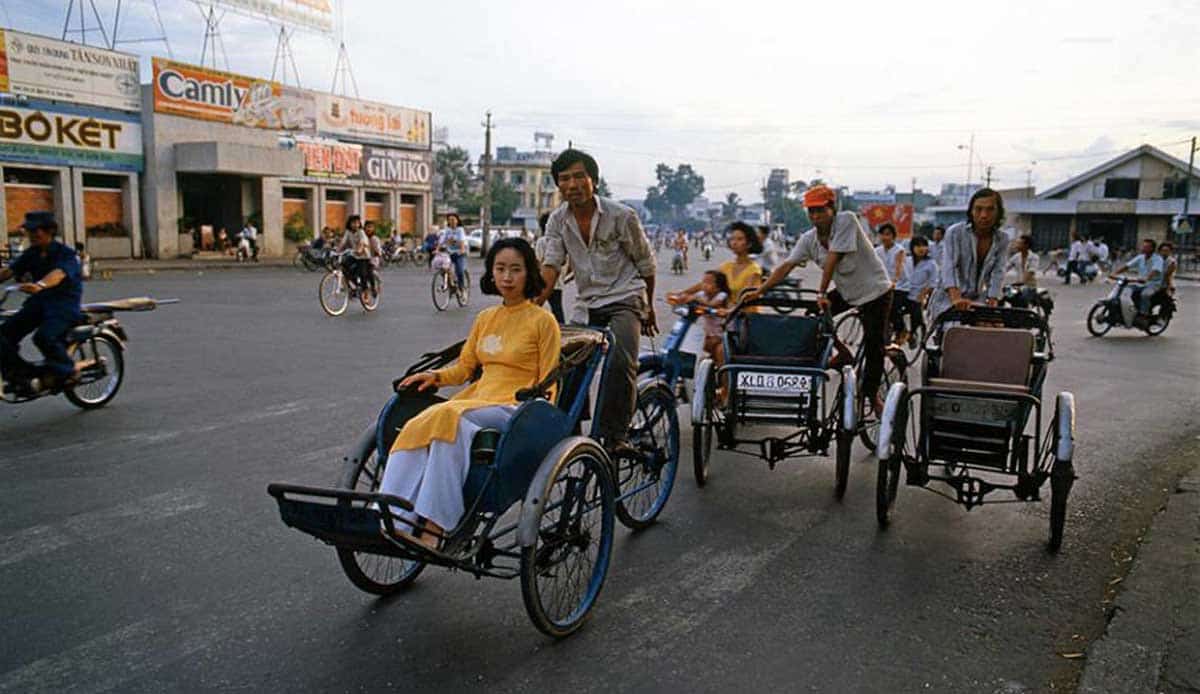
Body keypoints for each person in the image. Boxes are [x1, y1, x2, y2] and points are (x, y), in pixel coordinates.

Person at [380, 238, 559, 550]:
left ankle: (434, 531)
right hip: (478, 400)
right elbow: (464, 369)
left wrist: (536, 413)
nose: (507, 277)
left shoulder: (543, 321)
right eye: (500, 269)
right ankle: (390, 518)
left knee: (449, 417)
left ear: (529, 274)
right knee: (426, 423)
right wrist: (434, 376)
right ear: (491, 273)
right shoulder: (486, 318)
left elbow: (549, 383)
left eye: (515, 270)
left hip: (516, 406)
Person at [536, 148, 657, 456]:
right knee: (563, 359)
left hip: (625, 298)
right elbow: (551, 266)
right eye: (564, 179)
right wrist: (531, 306)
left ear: (593, 180)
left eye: (579, 176)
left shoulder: (621, 216)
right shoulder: (557, 221)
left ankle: (615, 436)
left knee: (620, 359)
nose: (572, 184)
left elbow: (646, 265)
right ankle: (571, 429)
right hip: (587, 303)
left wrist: (649, 307)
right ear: (558, 185)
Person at [747, 185, 893, 412]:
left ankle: (872, 396)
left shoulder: (846, 220)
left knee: (874, 344)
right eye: (811, 211)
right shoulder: (809, 239)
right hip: (848, 292)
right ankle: (842, 352)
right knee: (813, 316)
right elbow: (786, 266)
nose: (815, 216)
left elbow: (834, 257)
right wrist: (761, 290)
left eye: (820, 210)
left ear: (831, 209)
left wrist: (822, 293)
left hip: (876, 291)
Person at [0, 212, 84, 395]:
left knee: (44, 337)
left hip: (63, 306)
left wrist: (41, 285)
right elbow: (9, 271)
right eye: (29, 231)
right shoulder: (32, 253)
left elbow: (59, 274)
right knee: (4, 334)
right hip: (39, 303)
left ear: (50, 231)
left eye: (35, 230)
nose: (31, 235)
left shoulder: (66, 254)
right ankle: (21, 374)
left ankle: (68, 371)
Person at [927, 188, 1012, 321]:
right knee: (953, 334)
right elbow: (949, 267)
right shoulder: (955, 232)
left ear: (998, 212)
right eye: (979, 209)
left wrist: (993, 298)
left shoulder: (1003, 239)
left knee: (992, 332)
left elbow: (998, 271)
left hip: (978, 300)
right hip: (948, 300)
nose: (984, 215)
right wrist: (956, 298)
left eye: (990, 209)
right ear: (971, 211)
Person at [666, 269, 730, 365]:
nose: (704, 285)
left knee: (710, 345)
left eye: (708, 283)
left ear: (718, 287)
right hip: (707, 332)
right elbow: (689, 298)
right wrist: (680, 298)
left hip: (719, 333)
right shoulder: (702, 294)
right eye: (703, 282)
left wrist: (698, 300)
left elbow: (712, 305)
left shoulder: (721, 295)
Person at [895, 235, 937, 348]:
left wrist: (923, 295)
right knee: (892, 308)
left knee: (915, 315)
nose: (921, 248)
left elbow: (933, 283)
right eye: (918, 245)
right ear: (912, 247)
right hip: (903, 291)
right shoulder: (907, 260)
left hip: (917, 295)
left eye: (924, 245)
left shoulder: (931, 264)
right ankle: (900, 330)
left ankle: (912, 335)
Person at [1109, 238, 1163, 319]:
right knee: (1125, 291)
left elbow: (1155, 271)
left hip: (1153, 284)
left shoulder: (1158, 259)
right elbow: (1127, 266)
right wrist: (1115, 273)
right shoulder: (1140, 257)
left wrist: (1147, 278)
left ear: (1152, 248)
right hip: (1139, 283)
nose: (1143, 248)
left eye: (1146, 247)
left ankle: (1143, 315)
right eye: (1143, 246)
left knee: (1145, 295)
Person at [535, 211, 566, 324]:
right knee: (557, 309)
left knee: (536, 306)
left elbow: (538, 262)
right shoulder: (561, 242)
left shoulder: (541, 242)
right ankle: (561, 330)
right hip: (558, 283)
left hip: (543, 281)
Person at [337, 215, 371, 295]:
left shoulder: (361, 232)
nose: (355, 225)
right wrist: (337, 250)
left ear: (359, 224)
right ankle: (353, 286)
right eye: (353, 223)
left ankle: (365, 291)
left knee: (362, 273)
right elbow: (343, 242)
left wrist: (359, 249)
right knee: (344, 265)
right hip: (353, 255)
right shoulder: (348, 232)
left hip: (363, 256)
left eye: (357, 223)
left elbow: (362, 242)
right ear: (349, 223)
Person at [874, 223, 907, 291]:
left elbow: (898, 271)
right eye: (882, 234)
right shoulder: (877, 250)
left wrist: (893, 282)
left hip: (899, 285)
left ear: (893, 236)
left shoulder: (899, 250)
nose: (884, 237)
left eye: (887, 234)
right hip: (883, 284)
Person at [440, 213, 468, 289]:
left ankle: (461, 286)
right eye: (449, 220)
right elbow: (442, 240)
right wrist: (437, 249)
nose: (451, 221)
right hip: (449, 252)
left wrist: (462, 249)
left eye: (453, 219)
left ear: (457, 220)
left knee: (459, 271)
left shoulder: (460, 230)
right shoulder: (447, 230)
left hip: (460, 253)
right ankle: (448, 283)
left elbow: (462, 240)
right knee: (443, 268)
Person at [364, 220, 382, 296]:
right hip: (363, 258)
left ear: (374, 229)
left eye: (370, 227)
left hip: (373, 259)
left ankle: (373, 287)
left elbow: (378, 249)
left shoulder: (375, 239)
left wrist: (377, 253)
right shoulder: (362, 237)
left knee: (369, 271)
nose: (368, 229)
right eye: (367, 227)